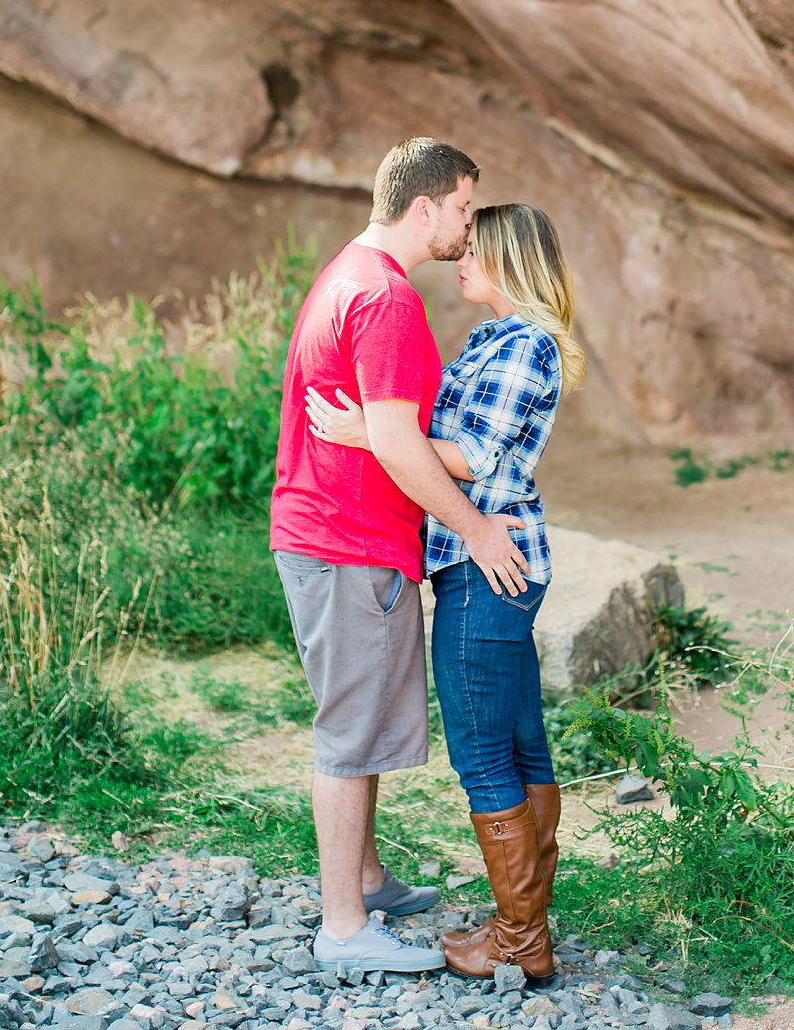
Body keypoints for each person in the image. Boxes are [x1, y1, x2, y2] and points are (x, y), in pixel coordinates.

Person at [269, 137, 532, 974]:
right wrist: (479, 528)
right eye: (462, 208)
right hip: (346, 542)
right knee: (350, 737)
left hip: (337, 537)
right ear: (425, 208)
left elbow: (383, 428)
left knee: (366, 725)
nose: (467, 225)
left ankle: (368, 880)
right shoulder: (385, 299)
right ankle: (344, 931)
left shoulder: (349, 272)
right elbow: (395, 438)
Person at [308, 202, 586, 986]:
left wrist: (371, 433)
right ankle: (523, 928)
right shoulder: (495, 337)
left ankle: (519, 941)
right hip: (486, 567)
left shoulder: (526, 345)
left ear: (512, 261)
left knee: (484, 756)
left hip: (485, 570)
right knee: (522, 746)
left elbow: (473, 454)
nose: (463, 252)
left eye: (478, 247)